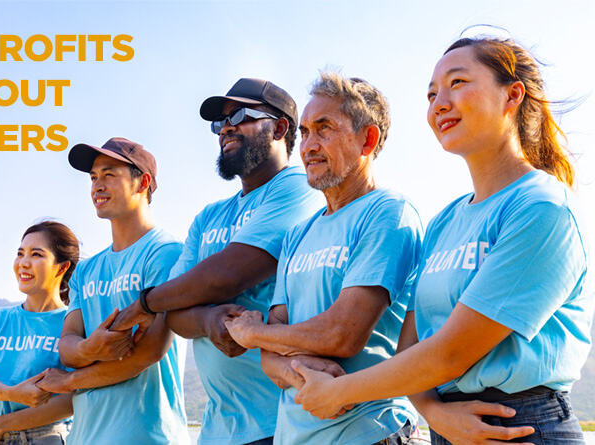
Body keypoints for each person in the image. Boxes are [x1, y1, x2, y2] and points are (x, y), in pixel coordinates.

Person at [289, 36, 593, 445]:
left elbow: (450, 352)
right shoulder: (445, 222)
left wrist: (336, 392)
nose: (439, 103)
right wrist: (435, 414)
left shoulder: (542, 207)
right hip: (449, 425)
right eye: (432, 94)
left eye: (458, 82)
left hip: (523, 425)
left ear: (512, 96)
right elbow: (410, 347)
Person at [110, 78, 324, 445]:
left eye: (239, 115)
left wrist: (145, 303)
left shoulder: (297, 188)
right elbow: (175, 313)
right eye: (219, 122)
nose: (225, 127)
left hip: (286, 422)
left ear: (280, 127)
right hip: (218, 431)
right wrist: (208, 320)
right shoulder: (208, 217)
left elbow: (225, 276)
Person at [223, 72, 422, 445]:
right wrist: (299, 372)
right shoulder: (299, 233)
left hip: (369, 432)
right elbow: (268, 358)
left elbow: (342, 334)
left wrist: (252, 334)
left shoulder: (388, 213)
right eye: (306, 131)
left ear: (368, 139)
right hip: (295, 436)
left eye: (325, 129)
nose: (309, 145)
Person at [34, 137, 189, 444]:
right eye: (93, 178)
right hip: (86, 436)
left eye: (109, 175)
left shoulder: (166, 253)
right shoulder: (88, 270)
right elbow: (66, 345)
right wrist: (88, 349)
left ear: (142, 183)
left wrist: (70, 381)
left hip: (148, 436)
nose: (97, 186)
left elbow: (148, 353)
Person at [0, 221, 79, 445]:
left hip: (50, 437)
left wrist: (2, 424)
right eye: (20, 254)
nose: (23, 263)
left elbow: (71, 399)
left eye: (36, 254)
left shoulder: (74, 322)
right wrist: (12, 394)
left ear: (61, 267)